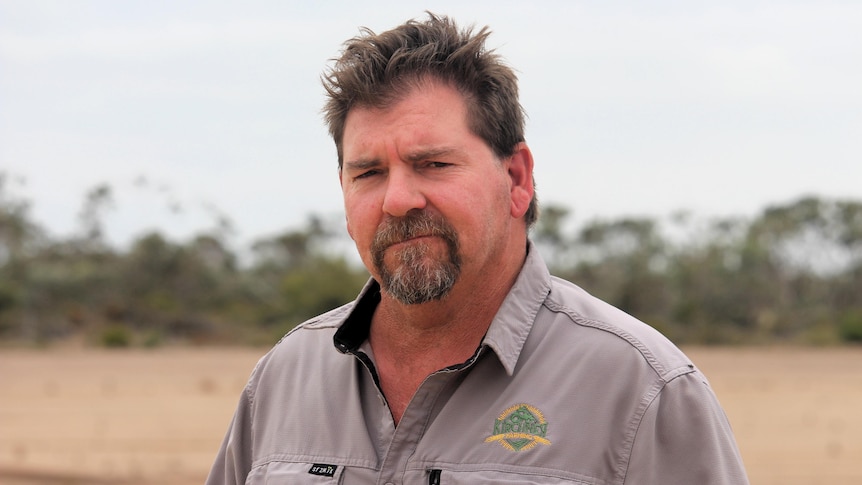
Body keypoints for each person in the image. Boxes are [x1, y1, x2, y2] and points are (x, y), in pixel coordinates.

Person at [207, 12, 749, 485]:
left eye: (433, 164)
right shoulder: (282, 380)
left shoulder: (642, 393)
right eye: (368, 173)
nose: (397, 199)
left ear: (517, 179)